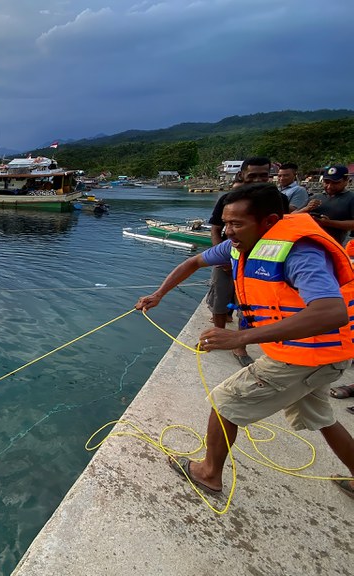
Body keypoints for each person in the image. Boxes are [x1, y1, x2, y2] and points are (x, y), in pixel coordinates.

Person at [136, 182, 354, 499]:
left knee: (225, 401)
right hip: (316, 355)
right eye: (225, 223)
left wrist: (241, 336)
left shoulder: (301, 254)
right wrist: (158, 294)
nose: (227, 232)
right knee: (320, 417)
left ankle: (209, 474)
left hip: (309, 356)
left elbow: (332, 312)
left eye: (236, 223)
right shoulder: (242, 245)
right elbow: (193, 262)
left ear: (268, 222)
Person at [205, 157, 275, 367]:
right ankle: (218, 336)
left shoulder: (275, 199)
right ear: (242, 175)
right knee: (220, 298)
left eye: (263, 174)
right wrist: (221, 257)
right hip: (230, 256)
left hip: (263, 261)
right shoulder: (229, 199)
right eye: (252, 175)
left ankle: (239, 344)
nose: (258, 179)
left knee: (248, 305)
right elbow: (217, 229)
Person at [297, 165, 354, 247]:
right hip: (306, 243)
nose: (330, 186)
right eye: (326, 182)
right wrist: (306, 208)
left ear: (346, 181)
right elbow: (291, 216)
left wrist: (329, 223)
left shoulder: (351, 198)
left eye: (335, 183)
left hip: (333, 246)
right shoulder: (315, 197)